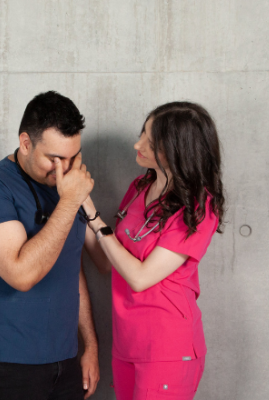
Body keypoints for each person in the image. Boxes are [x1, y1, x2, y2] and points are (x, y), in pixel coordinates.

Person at [0, 91, 100, 400]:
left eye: (73, 157)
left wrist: (90, 345)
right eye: (55, 158)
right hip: (7, 360)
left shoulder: (66, 188)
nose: (64, 169)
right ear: (25, 143)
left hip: (65, 356)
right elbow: (21, 275)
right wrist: (70, 202)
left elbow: (72, 269)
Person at [79, 102, 225, 400]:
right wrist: (74, 205)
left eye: (152, 142)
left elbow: (140, 278)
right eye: (142, 134)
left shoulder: (198, 207)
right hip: (126, 343)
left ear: (178, 150)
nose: (138, 145)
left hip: (166, 348)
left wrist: (92, 215)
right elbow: (108, 262)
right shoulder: (139, 187)